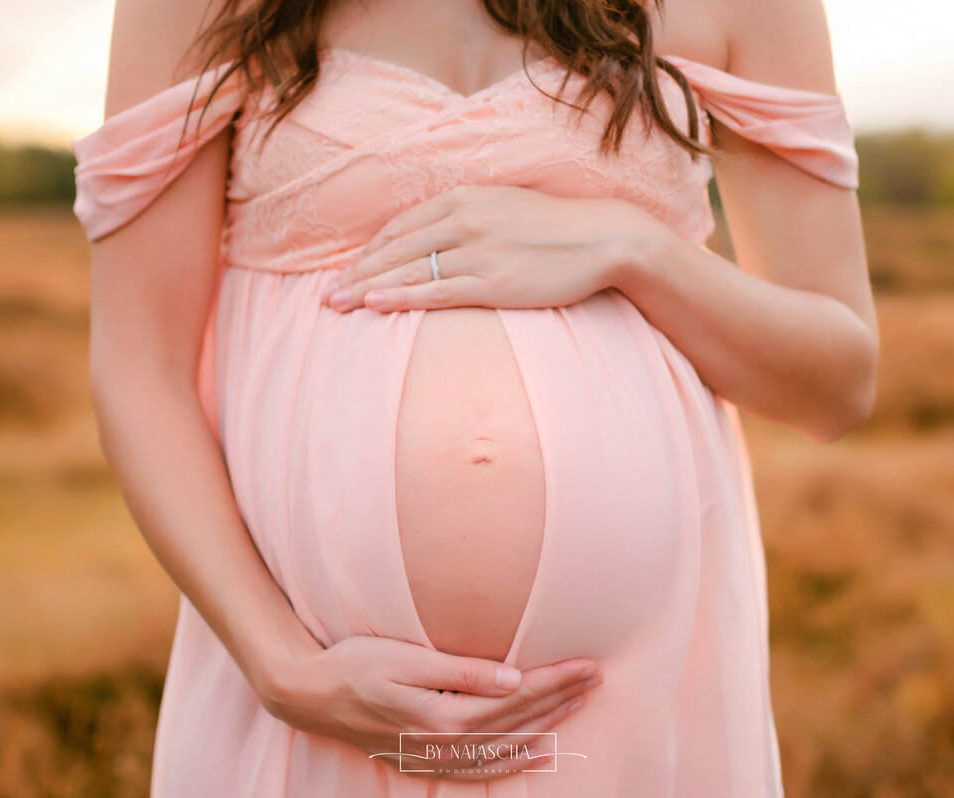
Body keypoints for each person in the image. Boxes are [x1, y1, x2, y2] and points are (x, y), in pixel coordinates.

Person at [70, 0, 877, 793]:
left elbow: (836, 383)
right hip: (325, 713)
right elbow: (143, 371)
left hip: (627, 718)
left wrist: (636, 249)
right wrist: (282, 666)